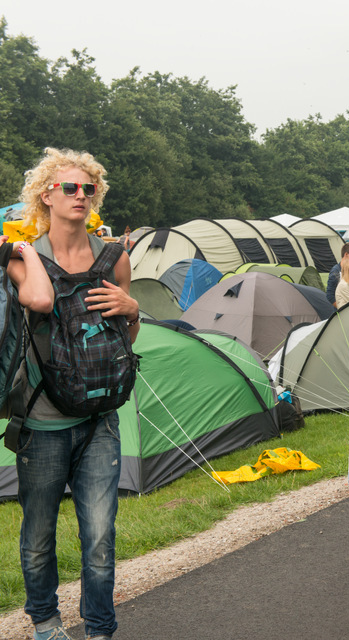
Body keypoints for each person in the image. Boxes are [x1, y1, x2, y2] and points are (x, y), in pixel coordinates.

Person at [9, 148, 140, 640]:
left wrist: (131, 309)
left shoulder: (116, 258)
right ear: (46, 196)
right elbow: (40, 300)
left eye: (89, 188)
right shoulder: (22, 258)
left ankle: (101, 629)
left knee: (101, 538)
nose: (82, 195)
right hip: (42, 423)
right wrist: (25, 250)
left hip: (100, 420)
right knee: (40, 537)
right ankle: (45, 622)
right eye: (70, 187)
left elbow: (123, 344)